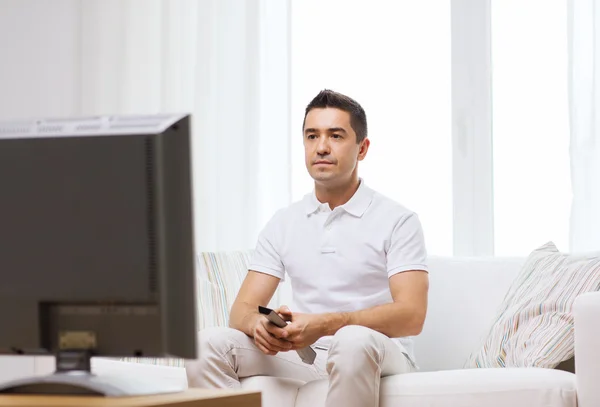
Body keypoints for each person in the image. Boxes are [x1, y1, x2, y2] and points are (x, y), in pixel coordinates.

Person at [185, 89, 429, 407]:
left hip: (381, 352)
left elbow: (412, 316)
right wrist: (258, 324)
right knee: (206, 345)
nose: (322, 147)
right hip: (309, 357)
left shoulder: (398, 220)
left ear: (363, 148)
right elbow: (241, 309)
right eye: (312, 136)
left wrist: (326, 323)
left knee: (352, 340)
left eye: (336, 135)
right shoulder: (284, 222)